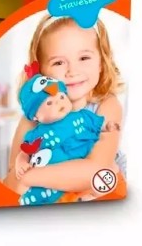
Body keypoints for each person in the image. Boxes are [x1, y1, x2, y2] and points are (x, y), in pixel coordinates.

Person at [3, 14, 126, 201]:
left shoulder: (106, 105)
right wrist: (25, 176)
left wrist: (30, 177)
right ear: (41, 72)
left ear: (101, 63)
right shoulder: (36, 116)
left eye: (84, 58)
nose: (72, 71)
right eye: (58, 62)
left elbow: (97, 170)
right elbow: (13, 180)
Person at [15, 61, 120, 205]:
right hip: (54, 172)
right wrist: (20, 163)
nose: (59, 103)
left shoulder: (81, 116)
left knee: (110, 169)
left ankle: (90, 193)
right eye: (49, 103)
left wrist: (108, 126)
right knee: (35, 191)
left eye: (62, 97)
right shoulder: (36, 134)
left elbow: (97, 124)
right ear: (35, 116)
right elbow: (25, 151)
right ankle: (34, 199)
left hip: (78, 166)